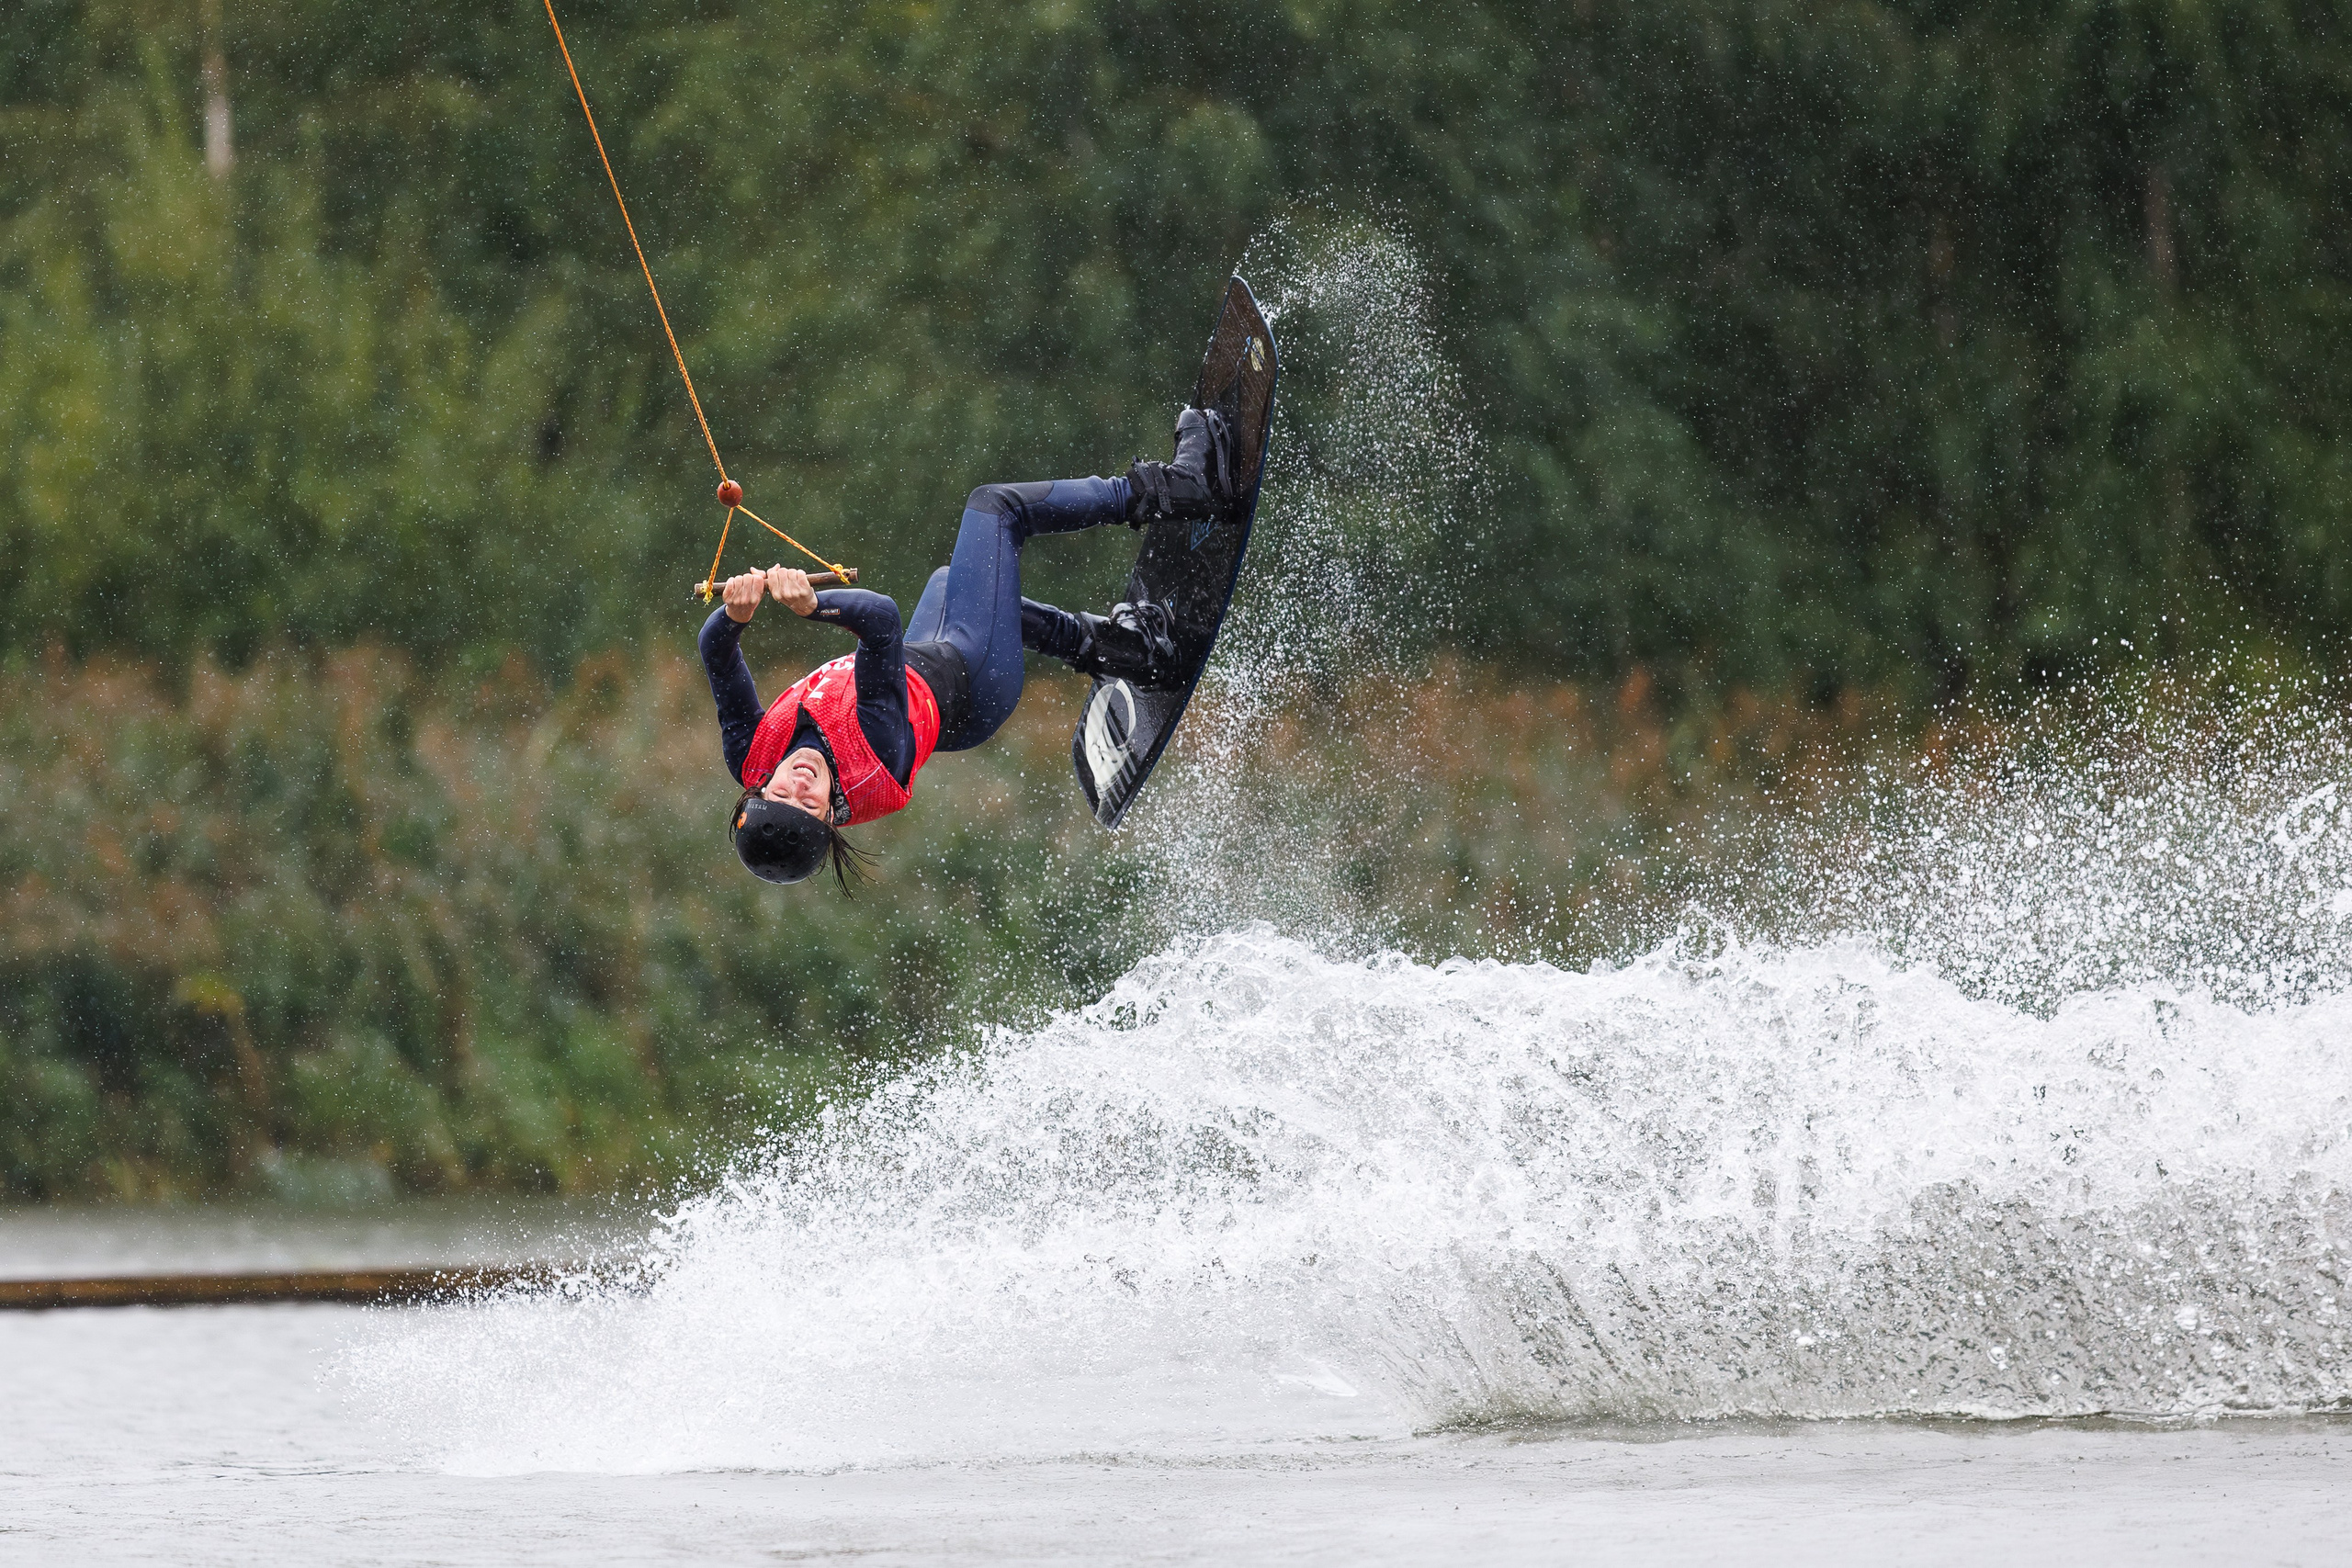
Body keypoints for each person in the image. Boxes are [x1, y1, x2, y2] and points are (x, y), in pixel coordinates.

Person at [702, 407, 1236, 887]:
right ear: (830, 816)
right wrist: (811, 607)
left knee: (952, 581)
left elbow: (715, 653)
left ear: (757, 789)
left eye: (781, 795)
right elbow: (881, 621)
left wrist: (733, 616)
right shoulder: (872, 752)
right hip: (974, 682)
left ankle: (1128, 650)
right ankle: (1175, 488)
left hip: (930, 663)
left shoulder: (752, 757)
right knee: (997, 508)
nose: (798, 785)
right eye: (808, 805)